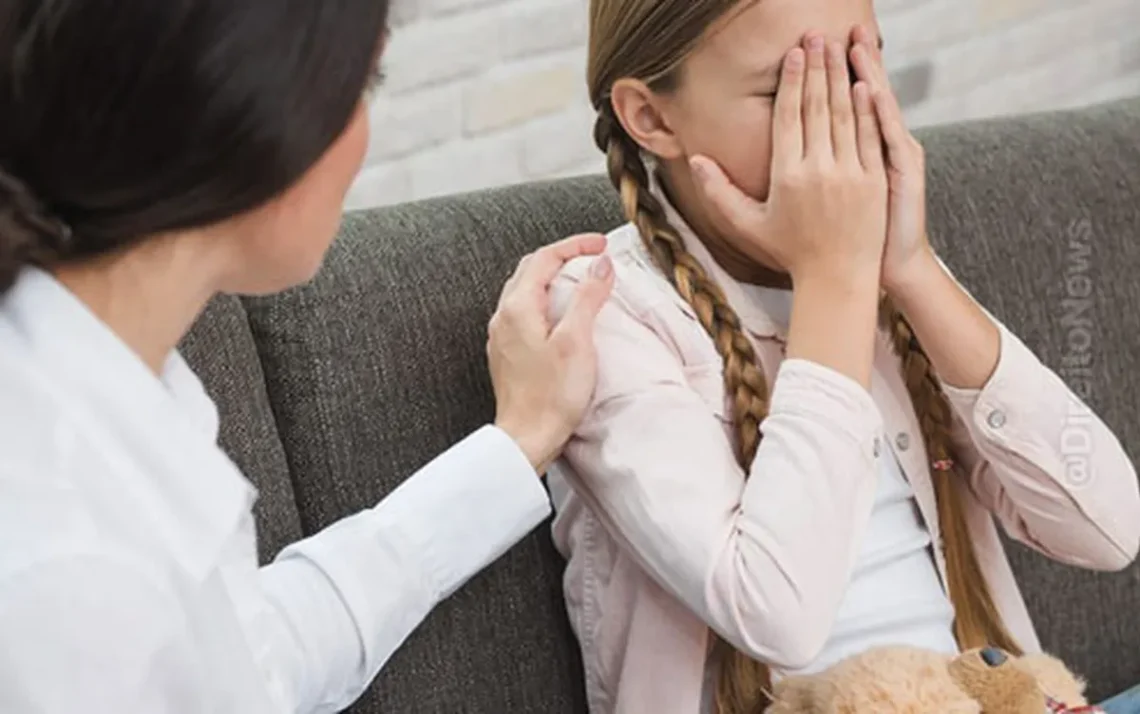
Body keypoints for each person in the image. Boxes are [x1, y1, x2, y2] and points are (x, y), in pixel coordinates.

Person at [0, 3, 615, 713]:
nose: (363, 137)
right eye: (364, 83)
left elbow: (256, 657)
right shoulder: (61, 564)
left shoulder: (111, 378)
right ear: (251, 112)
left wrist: (519, 442)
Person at [545, 1, 1140, 713]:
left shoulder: (888, 268)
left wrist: (913, 269)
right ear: (652, 117)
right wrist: (833, 280)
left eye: (861, 67)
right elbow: (779, 614)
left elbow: (1107, 529)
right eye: (787, 89)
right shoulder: (607, 311)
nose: (847, 117)